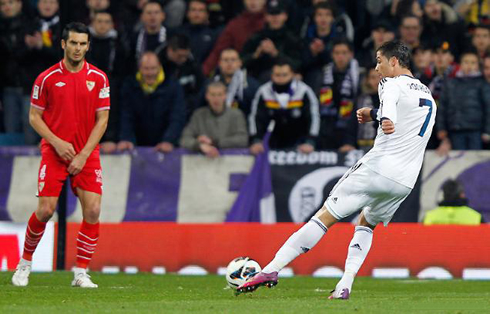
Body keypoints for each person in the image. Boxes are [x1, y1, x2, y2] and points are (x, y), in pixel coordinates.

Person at [238, 40, 437, 299]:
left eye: (379, 61)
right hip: (405, 180)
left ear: (394, 62)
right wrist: (375, 113)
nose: (376, 68)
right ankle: (345, 284)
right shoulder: (427, 94)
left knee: (325, 216)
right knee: (367, 222)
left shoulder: (390, 83)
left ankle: (271, 269)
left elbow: (390, 114)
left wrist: (384, 118)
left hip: (378, 168)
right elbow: (406, 116)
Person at [11, 22, 110, 288]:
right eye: (73, 43)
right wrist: (56, 142)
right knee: (45, 210)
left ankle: (81, 272)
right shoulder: (46, 78)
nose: (78, 49)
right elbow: (34, 117)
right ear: (63, 44)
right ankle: (25, 263)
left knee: (93, 209)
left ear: (88, 46)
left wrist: (83, 154)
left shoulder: (99, 78)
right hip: (55, 153)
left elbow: (102, 120)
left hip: (86, 153)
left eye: (82, 44)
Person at [117, 52, 185, 152]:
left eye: (153, 68)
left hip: (165, 145)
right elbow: (126, 115)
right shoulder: (130, 86)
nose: (150, 73)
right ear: (139, 68)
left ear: (159, 67)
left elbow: (176, 116)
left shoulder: (173, 86)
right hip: (137, 145)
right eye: (146, 68)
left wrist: (169, 140)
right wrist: (127, 138)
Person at [249, 59, 320, 153]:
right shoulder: (264, 91)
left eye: (284, 75)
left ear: (293, 74)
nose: (280, 78)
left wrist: (311, 141)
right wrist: (256, 140)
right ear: (271, 75)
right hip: (273, 140)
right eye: (277, 75)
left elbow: (313, 116)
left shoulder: (304, 91)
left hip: (301, 140)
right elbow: (255, 117)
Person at [436, 50, 490, 152]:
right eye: (466, 62)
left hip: (476, 130)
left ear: (478, 66)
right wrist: (441, 128)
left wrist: (487, 130)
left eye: (473, 62)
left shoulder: (482, 84)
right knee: (458, 161)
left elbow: (488, 107)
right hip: (456, 129)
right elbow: (442, 108)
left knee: (474, 161)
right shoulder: (450, 83)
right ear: (460, 65)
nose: (469, 65)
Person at [180, 82, 248, 157]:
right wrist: (199, 145)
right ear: (207, 96)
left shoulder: (236, 115)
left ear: (225, 96)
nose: (216, 98)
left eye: (219, 94)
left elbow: (243, 139)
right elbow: (184, 139)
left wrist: (214, 143)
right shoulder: (198, 115)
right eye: (213, 95)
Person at [240, 0, 302, 82]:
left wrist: (275, 54)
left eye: (278, 13)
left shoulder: (292, 39)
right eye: (271, 14)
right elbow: (240, 62)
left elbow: (299, 65)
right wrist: (256, 55)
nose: (275, 17)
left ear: (285, 16)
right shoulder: (256, 38)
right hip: (257, 81)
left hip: (287, 81)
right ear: (266, 16)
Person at [316, 38, 360, 151]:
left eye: (344, 53)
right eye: (337, 53)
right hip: (326, 129)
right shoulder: (323, 74)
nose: (340, 57)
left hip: (350, 129)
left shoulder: (359, 76)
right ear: (332, 55)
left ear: (351, 54)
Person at [202, 0, 266, 76]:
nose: (253, 1)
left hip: (272, 73)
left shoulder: (274, 21)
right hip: (240, 71)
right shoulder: (235, 25)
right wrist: (202, 74)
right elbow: (218, 51)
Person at [198, 48, 260, 117]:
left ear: (240, 63)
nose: (229, 63)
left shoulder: (251, 85)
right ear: (219, 63)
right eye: (225, 60)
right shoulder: (209, 84)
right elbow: (200, 108)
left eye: (233, 60)